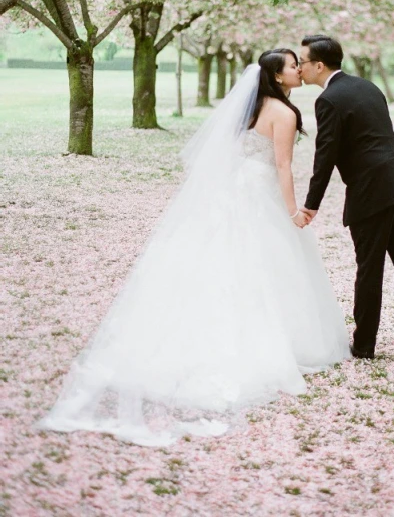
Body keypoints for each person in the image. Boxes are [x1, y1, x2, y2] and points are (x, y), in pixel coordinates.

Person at [39, 49, 349, 447]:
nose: (299, 70)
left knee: (223, 265)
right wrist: (293, 211)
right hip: (262, 197)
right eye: (292, 66)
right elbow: (284, 166)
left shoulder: (247, 110)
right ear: (275, 75)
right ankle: (271, 344)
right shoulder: (285, 114)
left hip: (234, 194)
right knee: (269, 268)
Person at [298, 35, 394, 360]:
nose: (300, 68)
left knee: (369, 268)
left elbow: (325, 156)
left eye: (302, 62)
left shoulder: (328, 100)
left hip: (371, 191)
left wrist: (311, 204)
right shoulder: (368, 87)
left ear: (319, 65)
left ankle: (364, 345)